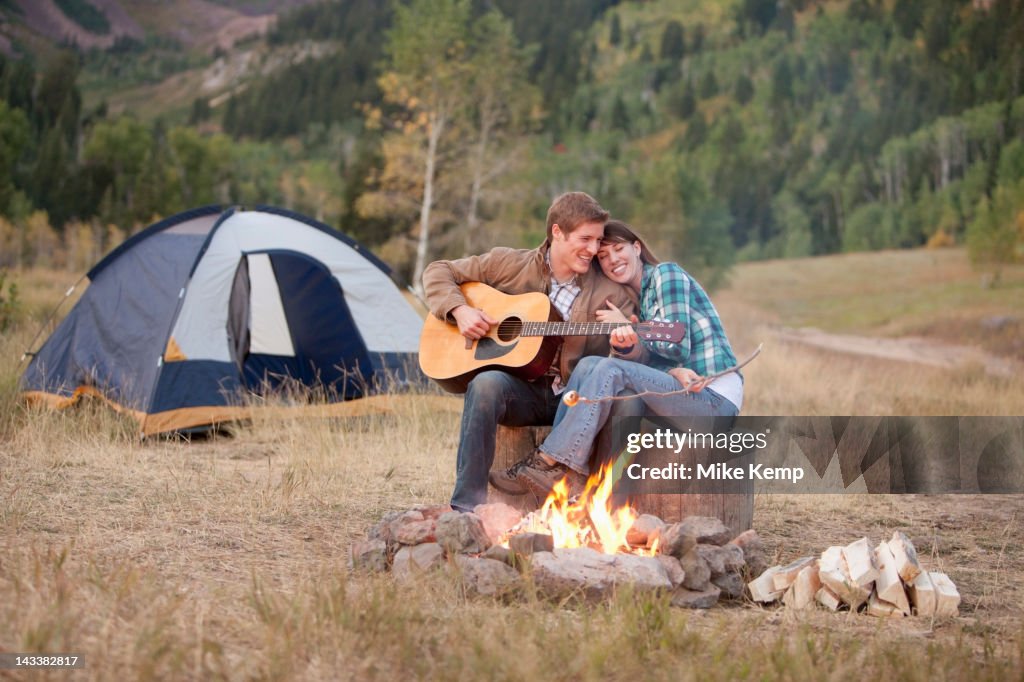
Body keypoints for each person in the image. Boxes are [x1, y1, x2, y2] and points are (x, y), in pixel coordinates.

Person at [495, 219, 743, 497]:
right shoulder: (642, 301)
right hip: (680, 399)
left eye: (618, 249)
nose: (612, 259)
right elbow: (651, 368)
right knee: (590, 365)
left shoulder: (666, 274)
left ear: (636, 248)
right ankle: (589, 487)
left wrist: (629, 326)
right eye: (603, 256)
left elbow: (678, 345)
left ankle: (551, 462)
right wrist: (648, 355)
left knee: (611, 369)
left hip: (713, 403)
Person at [422, 192, 637, 512]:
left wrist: (627, 346)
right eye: (586, 239)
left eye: (598, 240)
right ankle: (466, 508)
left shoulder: (611, 294)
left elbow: (624, 366)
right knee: (485, 384)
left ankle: (599, 512)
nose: (594, 249)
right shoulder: (510, 264)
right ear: (557, 233)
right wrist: (459, 310)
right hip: (524, 392)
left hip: (576, 401)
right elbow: (439, 271)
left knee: (624, 406)